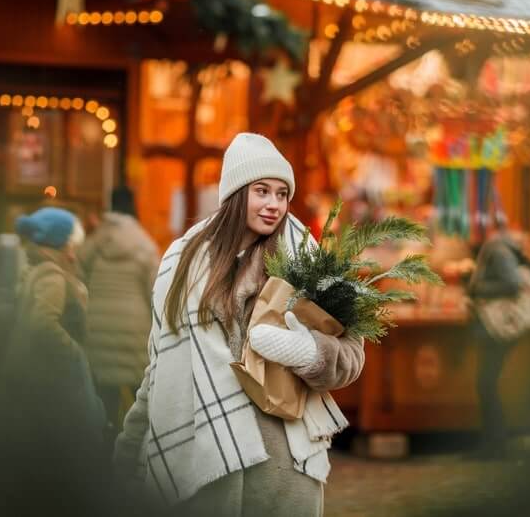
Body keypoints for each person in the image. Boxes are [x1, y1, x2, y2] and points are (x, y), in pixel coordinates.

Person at [114, 133, 365, 516]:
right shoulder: (182, 263)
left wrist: (310, 352)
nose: (274, 205)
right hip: (205, 467)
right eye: (262, 191)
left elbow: (353, 353)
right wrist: (128, 453)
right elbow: (162, 365)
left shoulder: (307, 262)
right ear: (235, 193)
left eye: (282, 194)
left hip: (282, 472)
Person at [4, 207, 107, 513]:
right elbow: (42, 323)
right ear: (59, 244)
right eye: (70, 246)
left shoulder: (37, 270)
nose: (74, 254)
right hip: (51, 382)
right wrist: (74, 352)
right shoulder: (51, 274)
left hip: (37, 382)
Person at [77, 186, 160, 425]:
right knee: (140, 396)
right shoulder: (144, 242)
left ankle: (104, 445)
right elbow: (155, 290)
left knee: (104, 400)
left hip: (98, 325)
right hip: (134, 329)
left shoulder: (96, 239)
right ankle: (136, 448)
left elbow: (78, 272)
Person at [468, 228, 530, 459]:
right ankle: (493, 442)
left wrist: (477, 289)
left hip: (497, 329)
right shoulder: (503, 248)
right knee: (487, 383)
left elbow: (513, 284)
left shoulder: (497, 249)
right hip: (499, 329)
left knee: (486, 383)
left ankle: (495, 444)